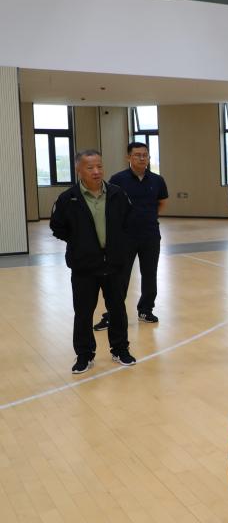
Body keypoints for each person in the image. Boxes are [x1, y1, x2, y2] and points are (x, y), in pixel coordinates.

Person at [50, 149, 137, 373]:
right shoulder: (68, 198)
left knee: (117, 309)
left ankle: (120, 349)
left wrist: (120, 246)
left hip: (114, 265)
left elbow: (129, 222)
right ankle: (84, 354)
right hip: (84, 267)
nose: (96, 171)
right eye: (90, 167)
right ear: (79, 170)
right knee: (83, 312)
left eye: (99, 166)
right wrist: (80, 242)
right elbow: (57, 226)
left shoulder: (117, 194)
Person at [94, 142, 168, 331]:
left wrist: (147, 218)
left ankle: (146, 310)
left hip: (150, 235)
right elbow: (110, 205)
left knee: (150, 274)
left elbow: (161, 202)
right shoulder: (118, 180)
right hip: (125, 237)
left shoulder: (157, 180)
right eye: (137, 155)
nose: (142, 158)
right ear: (128, 157)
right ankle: (113, 314)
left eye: (145, 155)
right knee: (120, 276)